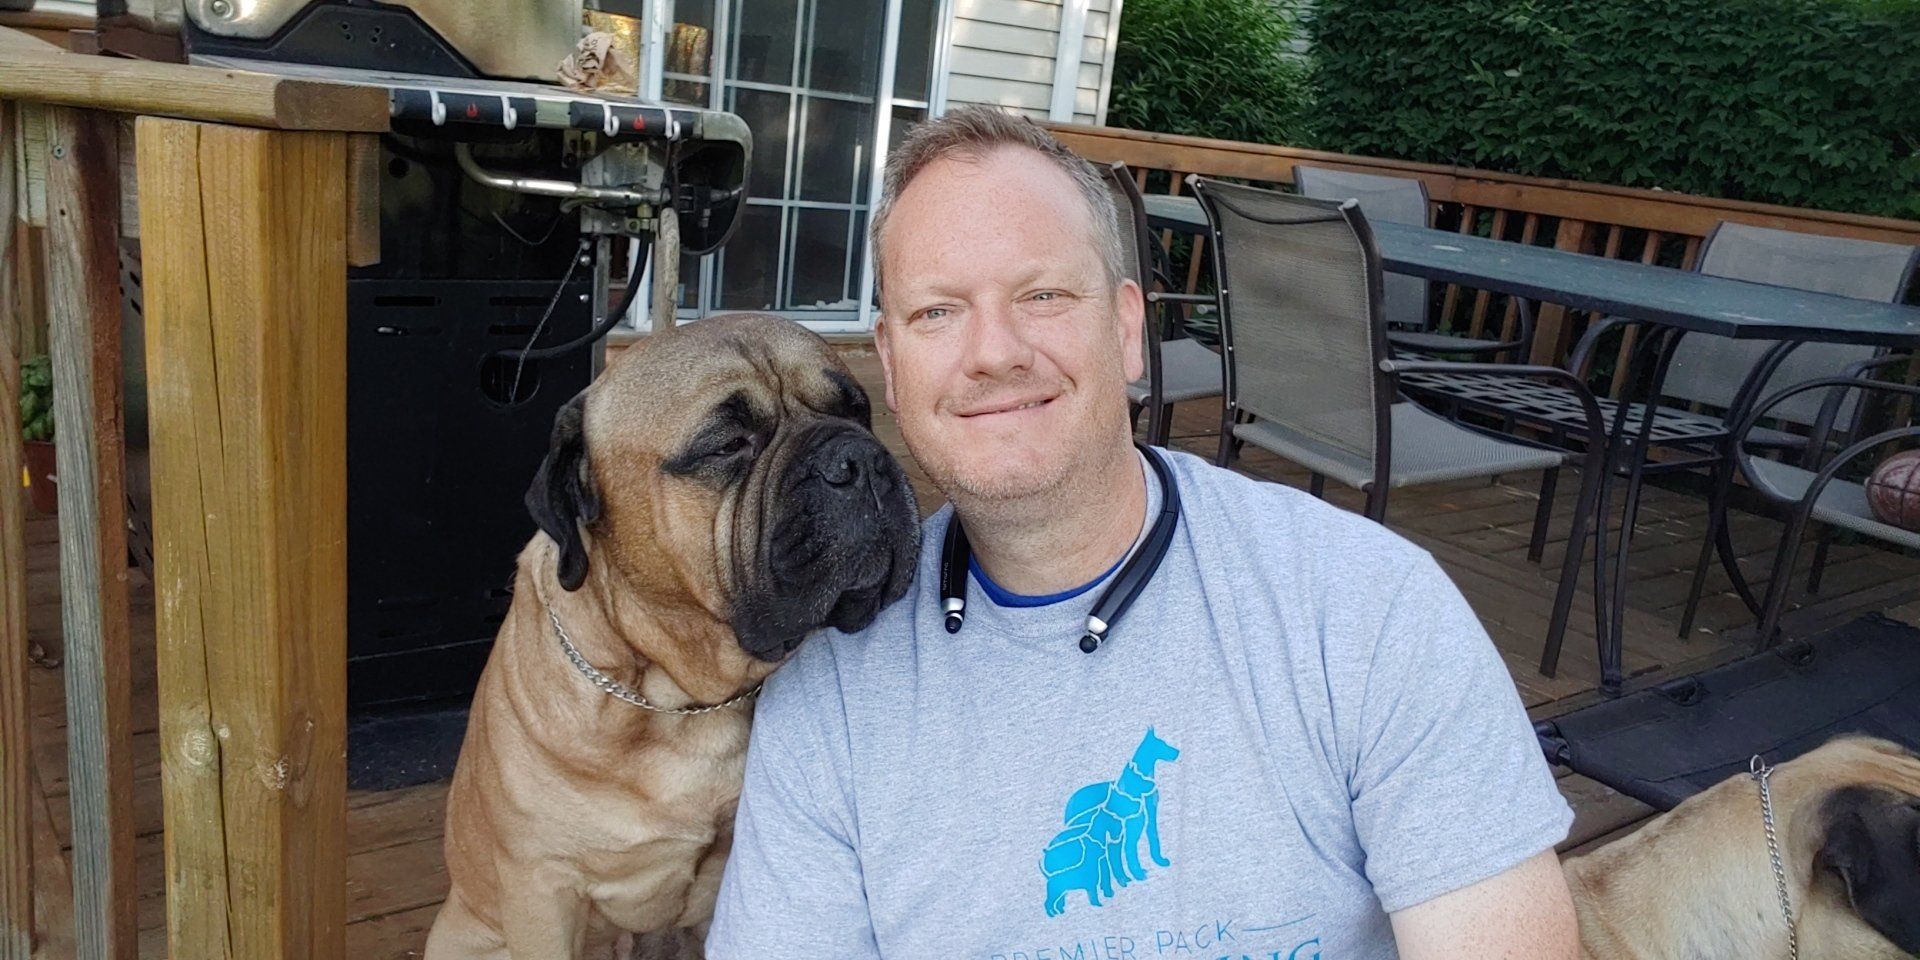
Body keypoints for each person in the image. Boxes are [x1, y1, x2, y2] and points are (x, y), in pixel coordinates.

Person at [705, 105, 1579, 960]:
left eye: (1041, 294)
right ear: (891, 367)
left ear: (1127, 329)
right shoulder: (831, 695)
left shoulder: (1366, 612)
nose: (993, 352)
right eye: (938, 312)